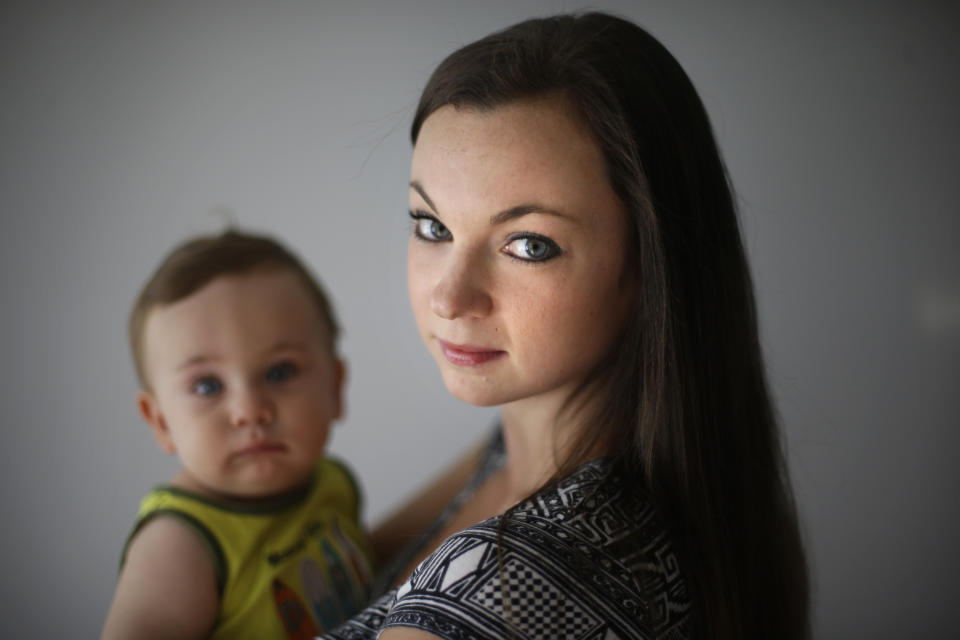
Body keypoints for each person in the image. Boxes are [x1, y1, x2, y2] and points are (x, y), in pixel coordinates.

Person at [327, 11, 809, 640]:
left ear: (647, 266)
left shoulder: (525, 576)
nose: (449, 297)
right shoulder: (518, 448)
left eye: (529, 245)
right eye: (432, 226)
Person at [101, 230, 374, 640]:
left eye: (279, 372)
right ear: (160, 422)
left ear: (335, 388)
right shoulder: (180, 545)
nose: (249, 412)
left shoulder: (332, 484)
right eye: (208, 386)